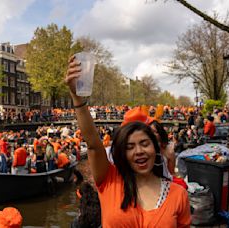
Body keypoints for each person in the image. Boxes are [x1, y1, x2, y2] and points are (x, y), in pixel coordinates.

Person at [65, 56, 191, 227]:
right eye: (130, 147)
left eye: (145, 144)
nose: (138, 151)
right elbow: (94, 145)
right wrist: (77, 98)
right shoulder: (110, 180)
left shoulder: (178, 195)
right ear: (122, 154)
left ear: (156, 148)